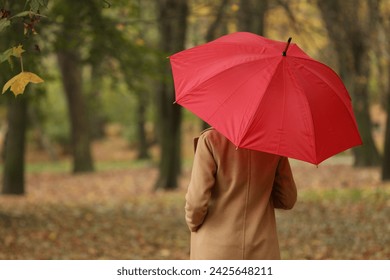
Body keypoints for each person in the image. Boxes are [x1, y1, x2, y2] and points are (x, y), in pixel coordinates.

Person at [185, 127, 297, 260]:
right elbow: (288, 199)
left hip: (215, 248)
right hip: (262, 248)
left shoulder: (211, 140)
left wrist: (193, 223)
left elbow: (196, 203)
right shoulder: (274, 143)